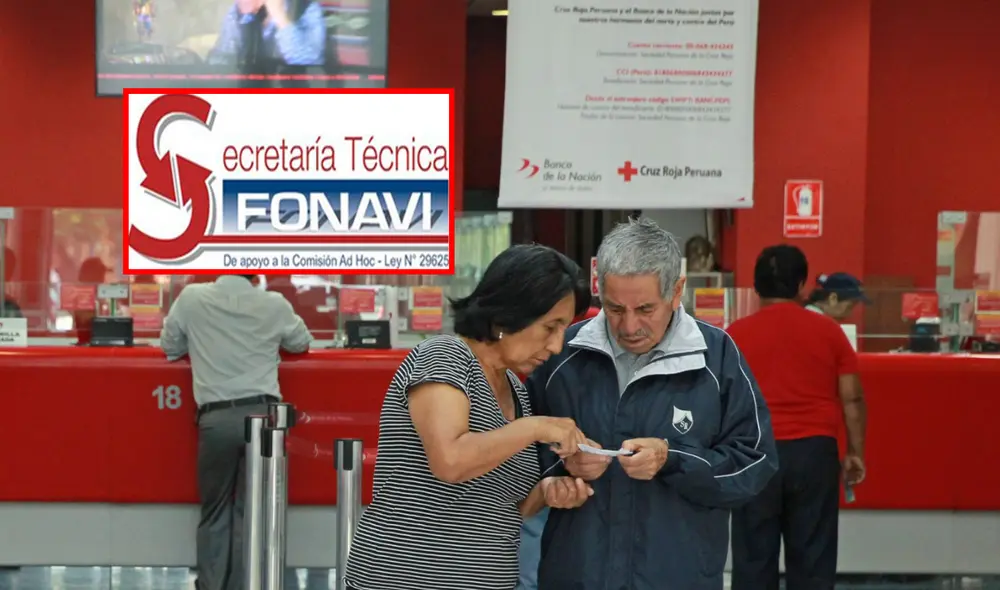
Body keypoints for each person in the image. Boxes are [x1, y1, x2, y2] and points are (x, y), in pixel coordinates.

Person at [526, 218, 778, 590]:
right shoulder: (561, 354)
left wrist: (672, 459)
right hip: (576, 575)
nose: (629, 326)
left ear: (676, 292)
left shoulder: (716, 357)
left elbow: (754, 464)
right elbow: (520, 456)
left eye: (645, 309)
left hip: (677, 576)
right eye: (614, 309)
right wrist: (558, 474)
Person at [344, 244, 596, 590]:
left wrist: (548, 491)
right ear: (508, 315)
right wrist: (536, 427)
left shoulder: (515, 390)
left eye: (563, 331)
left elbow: (501, 505)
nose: (555, 346)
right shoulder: (445, 356)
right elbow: (450, 461)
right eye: (549, 328)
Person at [727, 245, 867, 590]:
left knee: (753, 558)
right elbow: (852, 398)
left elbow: (721, 400)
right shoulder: (829, 331)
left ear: (757, 286)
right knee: (813, 561)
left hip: (754, 453)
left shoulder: (734, 334)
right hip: (814, 454)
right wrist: (855, 452)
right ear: (802, 283)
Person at [159, 274, 312, 590]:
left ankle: (213, 585)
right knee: (253, 511)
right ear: (256, 274)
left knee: (215, 511)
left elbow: (169, 346)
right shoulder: (273, 303)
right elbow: (300, 342)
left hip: (216, 417)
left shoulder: (191, 298)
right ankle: (249, 584)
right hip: (265, 419)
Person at [207, 0, 326, 67]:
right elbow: (223, 57)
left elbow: (309, 66)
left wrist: (279, 16)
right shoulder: (237, 11)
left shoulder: (307, 8)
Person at [805, 272, 871, 321]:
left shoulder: (813, 317)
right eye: (849, 307)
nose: (849, 314)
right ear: (833, 298)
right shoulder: (811, 321)